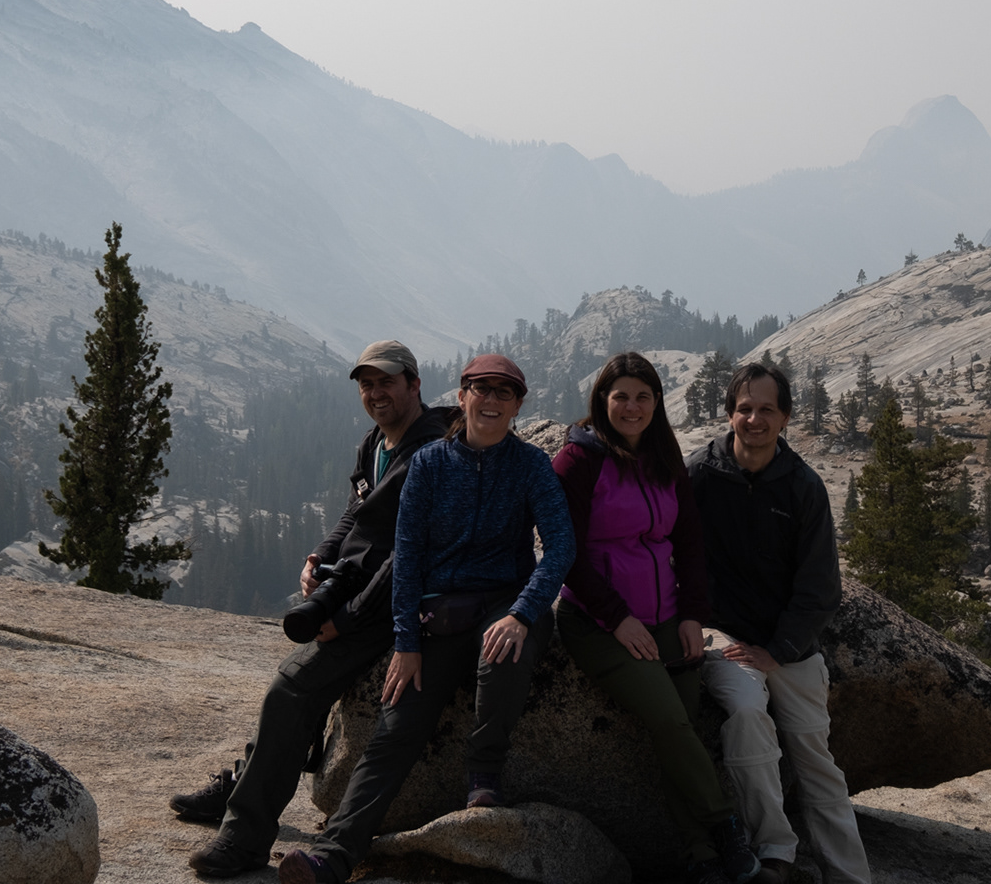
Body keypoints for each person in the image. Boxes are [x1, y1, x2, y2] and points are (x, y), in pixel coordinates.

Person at [278, 353, 575, 884]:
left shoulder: (530, 465)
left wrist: (524, 613)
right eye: (479, 389)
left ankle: (484, 770)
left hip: (505, 602)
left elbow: (560, 549)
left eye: (503, 393)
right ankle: (333, 855)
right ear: (461, 396)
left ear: (518, 405)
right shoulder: (430, 464)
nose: (490, 400)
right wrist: (406, 640)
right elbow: (407, 555)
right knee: (395, 727)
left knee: (503, 651)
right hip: (440, 612)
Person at [172, 340, 454, 878]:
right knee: (294, 689)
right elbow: (355, 512)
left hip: (394, 603)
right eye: (367, 385)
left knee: (293, 686)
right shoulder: (377, 441)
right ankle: (245, 784)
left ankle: (245, 837)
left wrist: (345, 619)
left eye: (387, 382)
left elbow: (408, 556)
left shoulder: (432, 454)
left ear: (415, 385)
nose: (376, 394)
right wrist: (319, 558)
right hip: (350, 586)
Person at [553, 353, 761, 884]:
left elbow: (689, 542)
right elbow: (565, 553)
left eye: (643, 396)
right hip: (598, 623)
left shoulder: (664, 456)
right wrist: (617, 618)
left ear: (657, 403)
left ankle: (699, 858)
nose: (632, 406)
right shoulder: (578, 460)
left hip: (667, 615)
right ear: (602, 399)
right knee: (669, 719)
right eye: (620, 395)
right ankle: (724, 826)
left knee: (682, 728)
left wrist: (692, 615)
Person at [689, 361, 870, 884]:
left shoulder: (803, 487)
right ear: (729, 414)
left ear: (786, 417)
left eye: (767, 409)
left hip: (791, 645)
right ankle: (775, 854)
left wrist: (780, 649)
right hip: (723, 636)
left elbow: (821, 588)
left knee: (816, 759)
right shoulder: (700, 475)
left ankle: (850, 875)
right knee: (747, 716)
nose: (754, 419)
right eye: (744, 408)